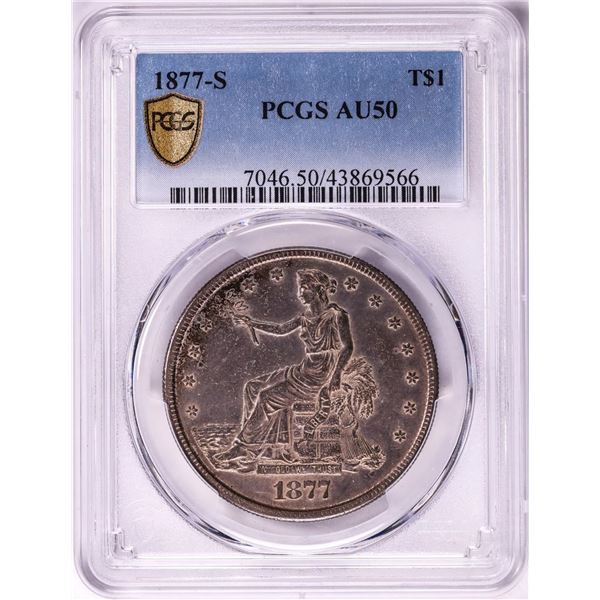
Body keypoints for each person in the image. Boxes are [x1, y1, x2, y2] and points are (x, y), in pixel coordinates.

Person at [214, 268, 353, 469]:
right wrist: (252, 323)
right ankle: (263, 445)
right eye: (300, 288)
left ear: (318, 289)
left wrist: (336, 376)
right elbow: (280, 329)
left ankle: (244, 447)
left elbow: (348, 347)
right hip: (303, 370)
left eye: (304, 288)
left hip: (319, 375)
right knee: (252, 386)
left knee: (267, 398)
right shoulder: (304, 317)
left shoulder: (337, 315)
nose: (299, 293)